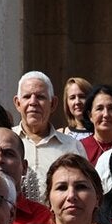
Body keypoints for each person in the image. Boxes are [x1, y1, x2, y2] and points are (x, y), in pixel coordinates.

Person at [12, 71, 86, 202]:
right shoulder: (5, 143)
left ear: (53, 104)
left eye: (40, 97)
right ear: (17, 103)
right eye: (27, 96)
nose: (33, 102)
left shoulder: (72, 146)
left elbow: (84, 189)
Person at [81, 84, 112, 162]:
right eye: (99, 108)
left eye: (111, 108)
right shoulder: (79, 148)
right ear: (90, 115)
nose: (106, 114)